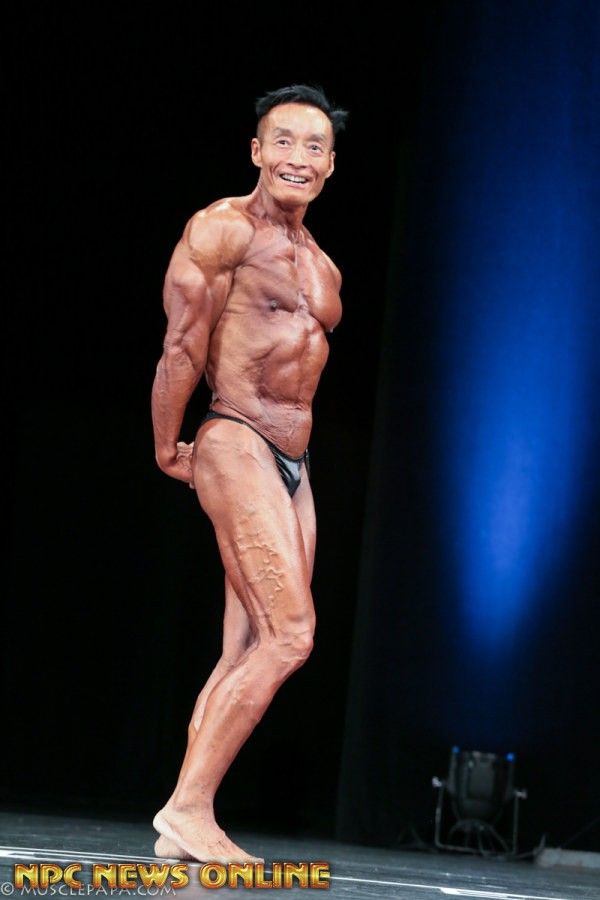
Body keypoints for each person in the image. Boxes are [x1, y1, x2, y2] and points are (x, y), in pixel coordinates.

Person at [150, 84, 348, 864]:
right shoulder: (222, 229)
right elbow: (182, 343)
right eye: (284, 141)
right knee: (293, 635)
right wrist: (167, 444)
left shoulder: (323, 266)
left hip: (295, 463)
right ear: (257, 151)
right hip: (236, 436)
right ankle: (188, 810)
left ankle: (183, 816)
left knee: (254, 647)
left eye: (314, 146)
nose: (298, 157)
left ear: (330, 165)